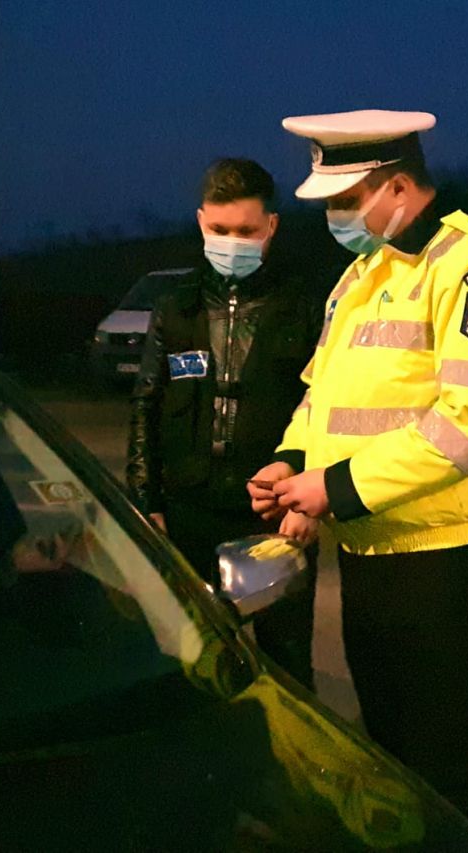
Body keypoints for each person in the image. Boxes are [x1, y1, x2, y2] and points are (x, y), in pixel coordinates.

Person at [247, 110, 468, 835]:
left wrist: (332, 488)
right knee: (389, 757)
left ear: (400, 187)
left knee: (440, 771)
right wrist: (292, 462)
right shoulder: (363, 273)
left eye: (347, 202)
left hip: (440, 565)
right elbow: (322, 395)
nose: (336, 219)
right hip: (369, 554)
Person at [127, 158, 325, 690]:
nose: (231, 242)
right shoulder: (176, 308)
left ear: (271, 227)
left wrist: (309, 498)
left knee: (286, 664)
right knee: (191, 658)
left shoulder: (304, 305)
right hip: (187, 514)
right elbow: (146, 404)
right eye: (219, 230)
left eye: (245, 231)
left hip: (272, 516)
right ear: (200, 222)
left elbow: (328, 406)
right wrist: (146, 503)